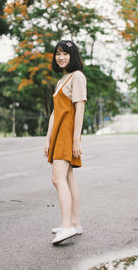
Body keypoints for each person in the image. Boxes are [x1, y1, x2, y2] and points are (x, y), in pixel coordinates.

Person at [44, 40, 87, 245]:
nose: (61, 57)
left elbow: (79, 108)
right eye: (58, 53)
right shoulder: (62, 79)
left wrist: (76, 139)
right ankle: (75, 223)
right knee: (68, 178)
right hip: (59, 133)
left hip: (68, 132)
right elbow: (55, 113)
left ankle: (66, 226)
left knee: (57, 178)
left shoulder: (77, 76)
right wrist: (48, 138)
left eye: (65, 54)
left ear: (73, 56)